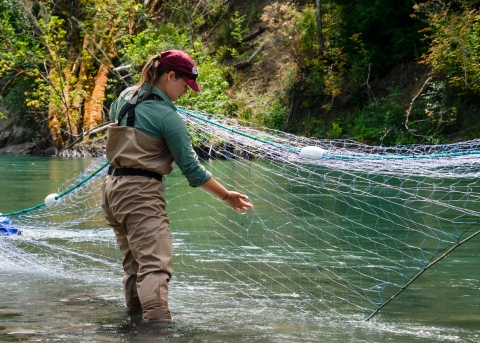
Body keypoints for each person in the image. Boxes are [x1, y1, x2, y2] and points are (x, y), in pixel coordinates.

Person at [101, 50, 253, 323]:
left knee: (135, 265)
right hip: (139, 194)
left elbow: (121, 124)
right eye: (185, 85)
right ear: (170, 76)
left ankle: (134, 326)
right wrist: (227, 195)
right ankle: (158, 331)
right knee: (155, 266)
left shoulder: (125, 97)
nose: (186, 91)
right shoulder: (169, 119)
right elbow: (192, 171)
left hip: (112, 189)